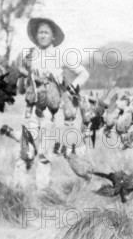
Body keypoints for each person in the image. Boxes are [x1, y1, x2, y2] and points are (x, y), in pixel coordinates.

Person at [16, 18, 89, 189]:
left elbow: (83, 73)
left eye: (46, 32)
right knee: (25, 151)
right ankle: (18, 192)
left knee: (44, 153)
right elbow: (21, 88)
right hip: (32, 110)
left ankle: (42, 193)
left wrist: (71, 90)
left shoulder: (60, 54)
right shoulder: (29, 56)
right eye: (39, 32)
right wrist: (22, 75)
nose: (42, 36)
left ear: (53, 36)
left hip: (51, 112)